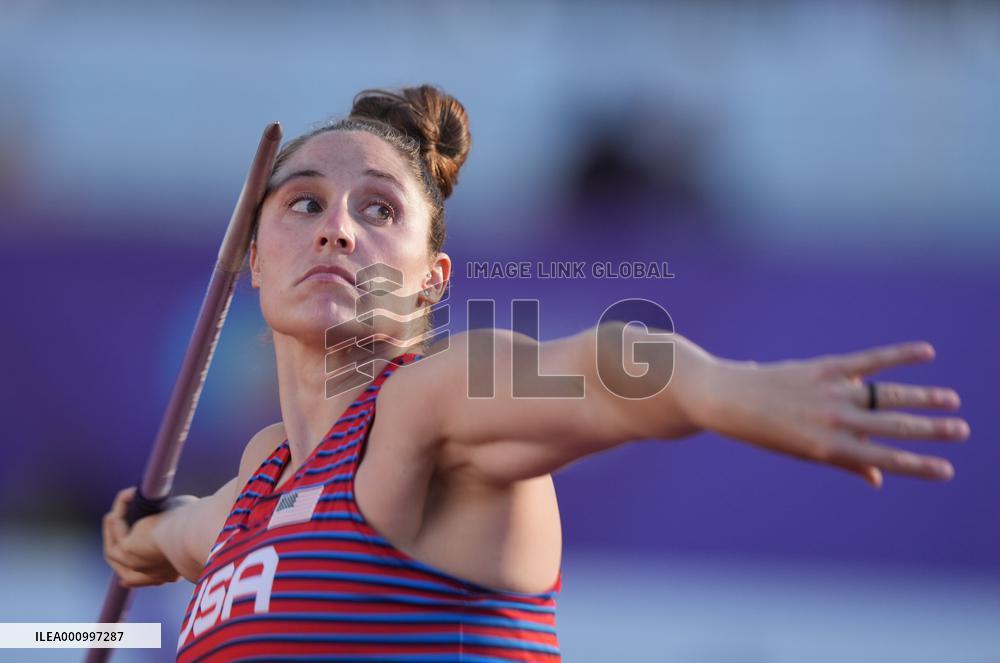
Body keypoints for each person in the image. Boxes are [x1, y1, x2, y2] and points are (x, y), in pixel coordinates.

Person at [102, 84, 969, 662]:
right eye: (304, 203)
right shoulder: (254, 483)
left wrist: (722, 390)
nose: (337, 229)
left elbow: (598, 368)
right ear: (252, 260)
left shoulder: (421, 407)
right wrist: (126, 543)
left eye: (378, 208)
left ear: (430, 282)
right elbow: (165, 536)